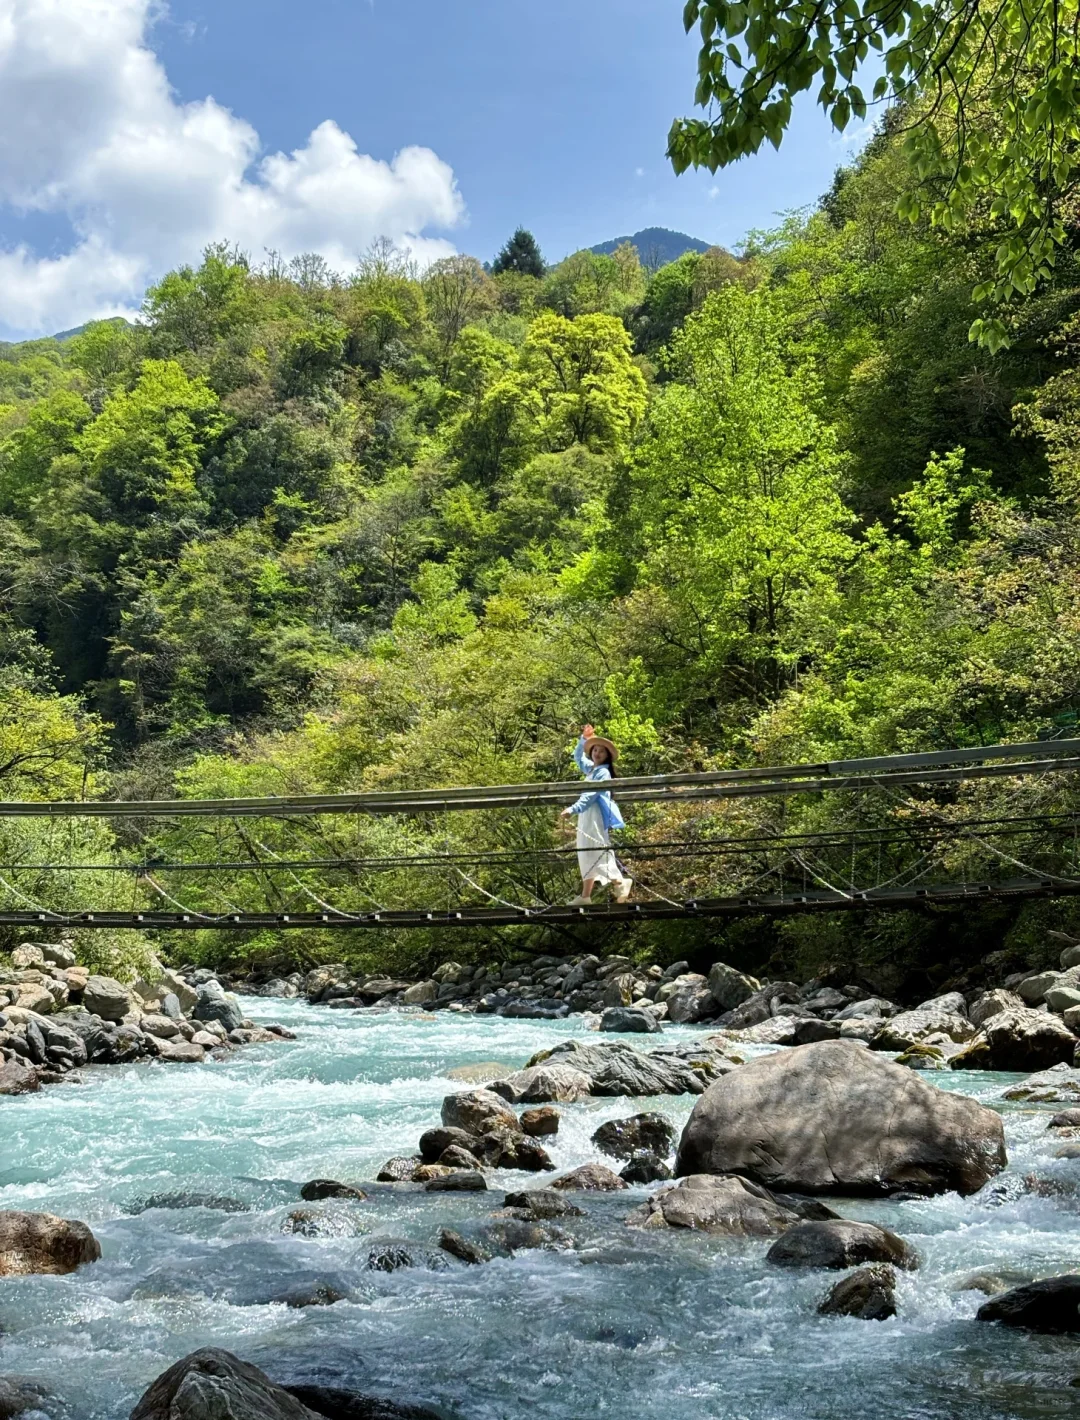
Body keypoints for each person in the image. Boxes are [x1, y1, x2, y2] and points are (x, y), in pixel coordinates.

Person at [561, 723, 632, 906]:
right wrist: (584, 739)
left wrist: (573, 809)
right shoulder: (592, 769)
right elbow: (578, 757)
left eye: (601, 751)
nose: (596, 754)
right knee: (585, 850)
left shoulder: (603, 772)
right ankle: (585, 896)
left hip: (594, 814)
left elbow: (591, 795)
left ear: (607, 755)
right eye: (594, 750)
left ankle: (619, 881)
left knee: (597, 847)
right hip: (587, 815)